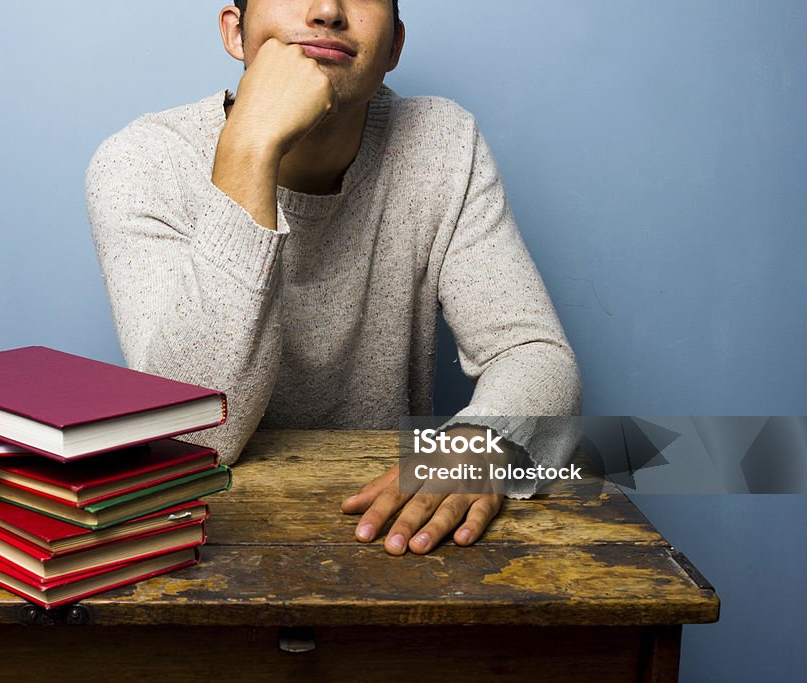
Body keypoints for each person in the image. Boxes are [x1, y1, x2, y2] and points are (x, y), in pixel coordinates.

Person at [86, 0, 581, 556]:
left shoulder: (442, 142)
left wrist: (478, 444)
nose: (326, 10)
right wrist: (250, 150)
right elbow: (196, 434)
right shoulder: (143, 162)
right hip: (200, 540)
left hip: (390, 537)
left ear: (394, 45)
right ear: (234, 31)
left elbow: (534, 353)